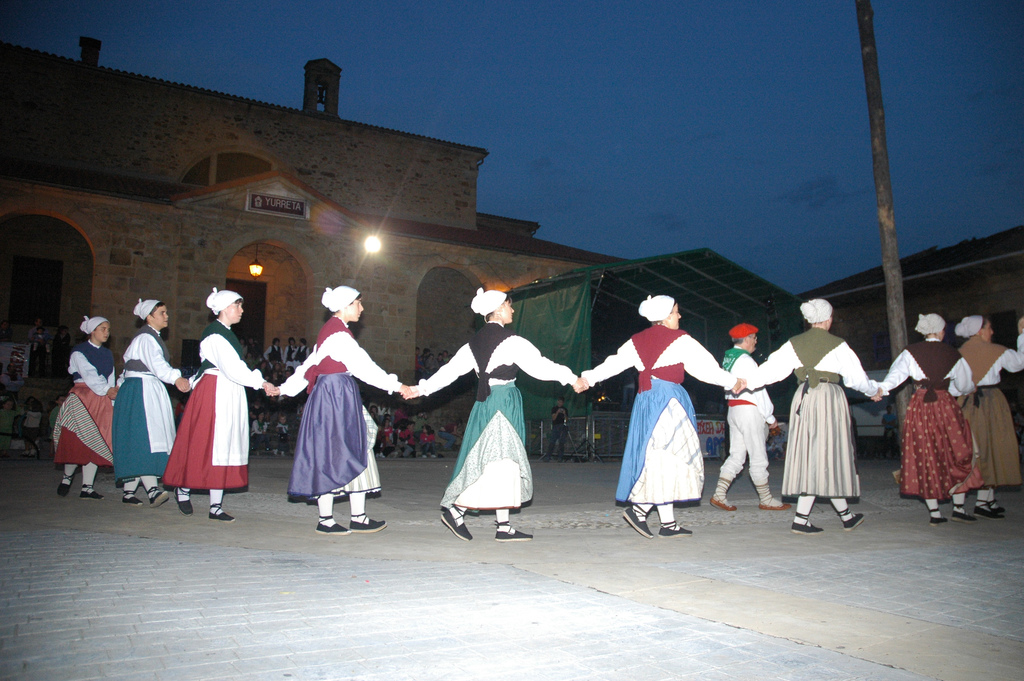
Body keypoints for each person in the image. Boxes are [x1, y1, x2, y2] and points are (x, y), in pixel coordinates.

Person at [411, 288, 578, 542]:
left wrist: (421, 388)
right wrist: (572, 378)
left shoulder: (472, 344)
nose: (512, 309)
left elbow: (449, 372)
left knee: (497, 459)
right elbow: (540, 366)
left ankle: (503, 525)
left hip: (485, 404)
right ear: (499, 309)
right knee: (498, 460)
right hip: (502, 403)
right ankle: (457, 511)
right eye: (509, 305)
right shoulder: (511, 341)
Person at [575, 295, 744, 538]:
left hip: (646, 401)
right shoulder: (680, 339)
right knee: (672, 456)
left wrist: (588, 378)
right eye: (676, 312)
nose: (679, 316)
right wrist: (732, 381)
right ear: (665, 317)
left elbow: (613, 364)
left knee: (658, 456)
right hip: (668, 401)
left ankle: (668, 523)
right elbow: (706, 368)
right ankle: (640, 511)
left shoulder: (636, 341)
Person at [280, 286, 409, 534]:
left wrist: (285, 388)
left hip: (338, 393)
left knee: (354, 445)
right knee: (333, 450)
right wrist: (397, 386)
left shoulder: (333, 331)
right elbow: (364, 367)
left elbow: (309, 365)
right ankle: (327, 519)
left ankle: (356, 516)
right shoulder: (338, 335)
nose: (362, 308)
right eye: (358, 303)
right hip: (335, 395)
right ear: (345, 305)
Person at [746, 299, 882, 534]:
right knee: (829, 454)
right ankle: (808, 518)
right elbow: (857, 378)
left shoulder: (794, 343)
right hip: (829, 398)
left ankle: (843, 516)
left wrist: (744, 382)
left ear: (808, 321)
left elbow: (770, 370)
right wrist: (873, 391)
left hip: (805, 398)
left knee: (812, 454)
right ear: (828, 319)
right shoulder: (838, 345)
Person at [164, 288, 279, 521]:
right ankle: (183, 488)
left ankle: (215, 505)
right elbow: (231, 367)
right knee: (204, 442)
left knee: (224, 444)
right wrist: (260, 382)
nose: (242, 310)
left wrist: (258, 381)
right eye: (238, 305)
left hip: (228, 389)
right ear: (226, 308)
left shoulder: (227, 333)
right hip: (215, 390)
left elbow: (235, 368)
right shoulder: (215, 334)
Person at [877, 314, 983, 525]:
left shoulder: (910, 352)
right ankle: (959, 508)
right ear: (942, 331)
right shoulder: (953, 354)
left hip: (921, 407)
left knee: (925, 455)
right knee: (956, 451)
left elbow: (895, 377)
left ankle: (935, 513)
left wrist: (880, 389)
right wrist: (966, 388)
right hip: (946, 406)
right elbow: (964, 386)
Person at [111, 299, 191, 507]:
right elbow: (157, 364)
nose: (166, 316)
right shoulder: (146, 338)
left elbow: (128, 367)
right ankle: (152, 490)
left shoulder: (150, 337)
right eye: (162, 312)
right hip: (142, 391)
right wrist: (175, 378)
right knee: (145, 437)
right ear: (149, 316)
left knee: (143, 437)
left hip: (144, 388)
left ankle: (129, 492)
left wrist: (119, 386)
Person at [710, 323, 790, 513]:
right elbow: (758, 390)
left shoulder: (729, 359)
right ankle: (766, 499)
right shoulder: (746, 361)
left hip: (733, 409)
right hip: (749, 409)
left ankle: (719, 494)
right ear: (746, 339)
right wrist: (770, 417)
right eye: (754, 337)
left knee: (736, 455)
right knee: (758, 455)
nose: (756, 341)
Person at [953, 314, 1024, 518]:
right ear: (980, 330)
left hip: (966, 403)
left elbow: (954, 384)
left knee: (975, 449)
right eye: (989, 328)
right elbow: (1019, 363)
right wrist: (1022, 334)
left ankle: (987, 499)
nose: (992, 332)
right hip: (990, 402)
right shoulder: (996, 351)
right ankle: (982, 502)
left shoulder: (958, 353)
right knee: (991, 448)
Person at [53, 316, 118, 499]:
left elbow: (110, 377)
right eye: (102, 328)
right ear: (92, 331)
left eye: (108, 329)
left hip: (101, 398)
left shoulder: (107, 354)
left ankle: (87, 487)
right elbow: (89, 374)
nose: (106, 332)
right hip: (83, 397)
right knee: (76, 439)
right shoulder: (79, 351)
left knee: (96, 440)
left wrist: (111, 397)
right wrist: (107, 390)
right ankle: (67, 478)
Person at [541, 397, 569, 462]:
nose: (560, 403)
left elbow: (566, 420)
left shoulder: (565, 409)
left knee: (561, 442)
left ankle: (560, 457)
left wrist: (564, 414)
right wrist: (557, 412)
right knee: (552, 442)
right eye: (559, 401)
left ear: (563, 403)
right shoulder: (554, 409)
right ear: (557, 401)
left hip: (562, 427)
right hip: (555, 426)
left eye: (561, 402)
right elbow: (553, 418)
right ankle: (548, 456)